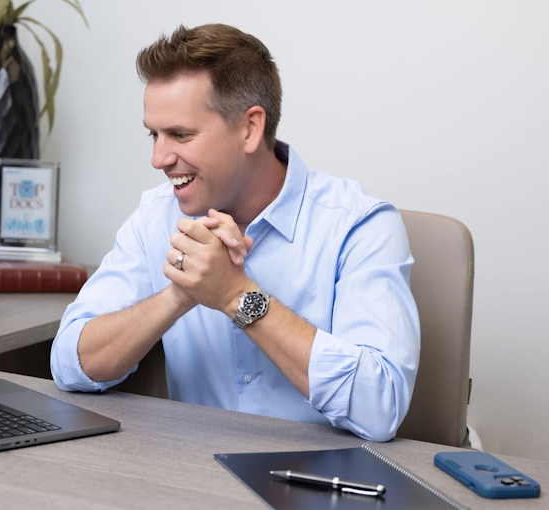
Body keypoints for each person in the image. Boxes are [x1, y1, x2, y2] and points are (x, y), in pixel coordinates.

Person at [50, 24, 419, 442]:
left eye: (180, 135)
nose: (158, 158)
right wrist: (182, 292)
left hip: (319, 484)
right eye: (154, 134)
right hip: (193, 479)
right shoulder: (155, 217)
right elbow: (69, 364)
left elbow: (380, 406)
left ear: (250, 128)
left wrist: (235, 296)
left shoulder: (360, 225)